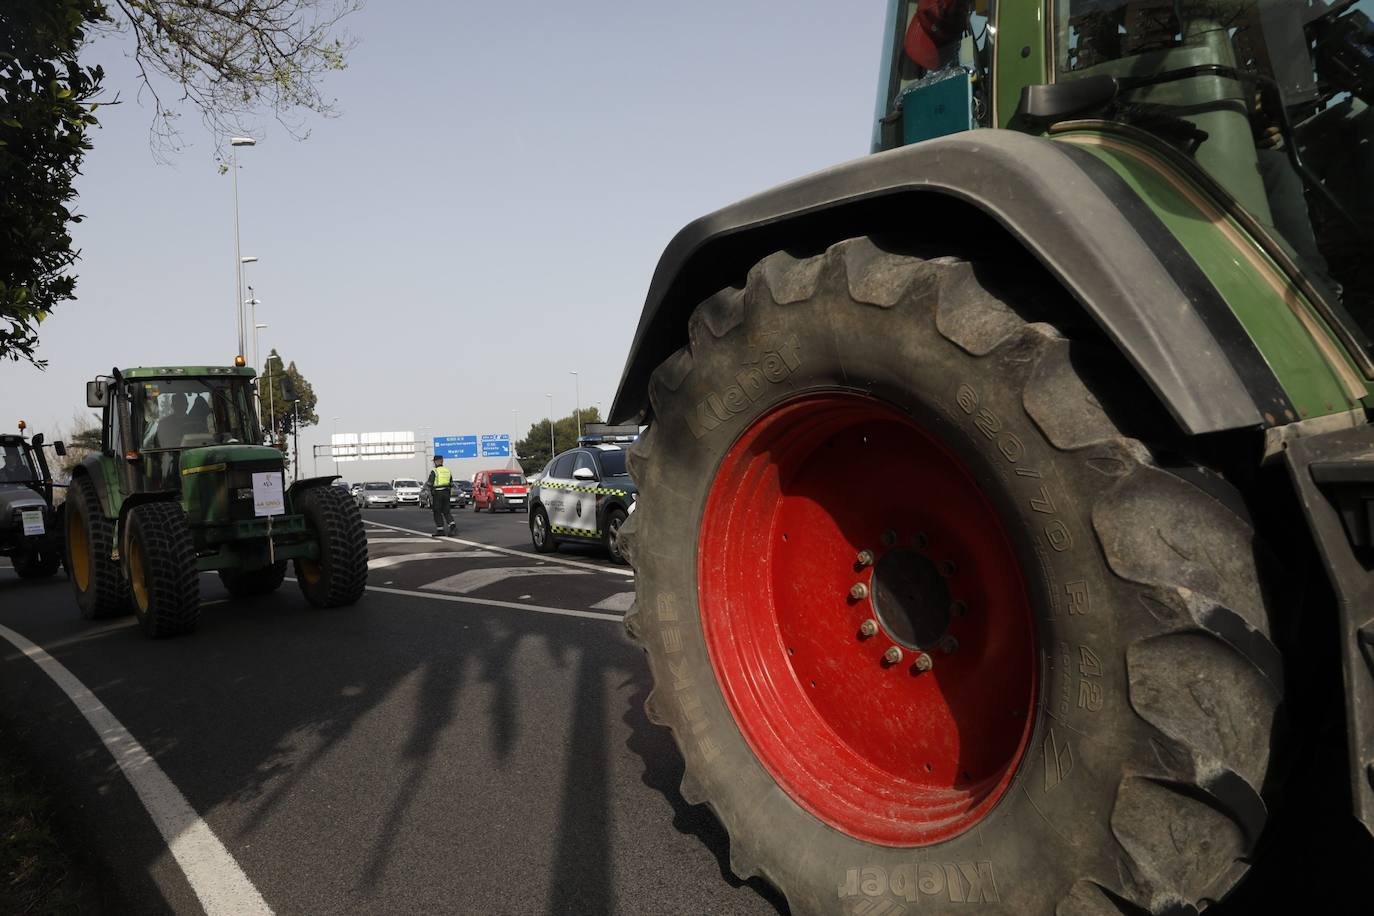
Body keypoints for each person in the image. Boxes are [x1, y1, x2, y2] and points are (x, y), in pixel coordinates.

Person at [426, 454, 457, 537]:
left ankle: (440, 530)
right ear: (442, 461)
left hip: (437, 493)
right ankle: (452, 525)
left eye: (434, 462)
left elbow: (429, 484)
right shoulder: (448, 470)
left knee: (437, 512)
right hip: (446, 493)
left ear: (436, 462)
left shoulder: (434, 471)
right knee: (446, 511)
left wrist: (429, 494)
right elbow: (451, 483)